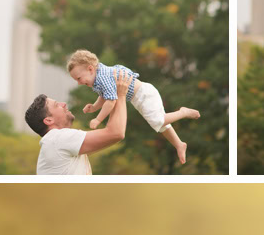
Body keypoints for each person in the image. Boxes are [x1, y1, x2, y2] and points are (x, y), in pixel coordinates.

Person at [67, 48, 199, 166]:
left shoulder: (103, 77)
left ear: (90, 69)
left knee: (158, 120)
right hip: (139, 98)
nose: (79, 83)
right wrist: (94, 107)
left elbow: (111, 101)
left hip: (144, 94)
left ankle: (183, 112)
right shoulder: (97, 78)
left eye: (79, 78)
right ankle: (179, 144)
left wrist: (98, 119)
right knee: (159, 125)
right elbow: (105, 96)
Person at [25, 66, 132, 178]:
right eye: (57, 105)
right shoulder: (58, 138)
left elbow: (112, 136)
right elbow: (116, 133)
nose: (64, 104)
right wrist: (120, 94)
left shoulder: (56, 142)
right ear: (48, 120)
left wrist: (111, 93)